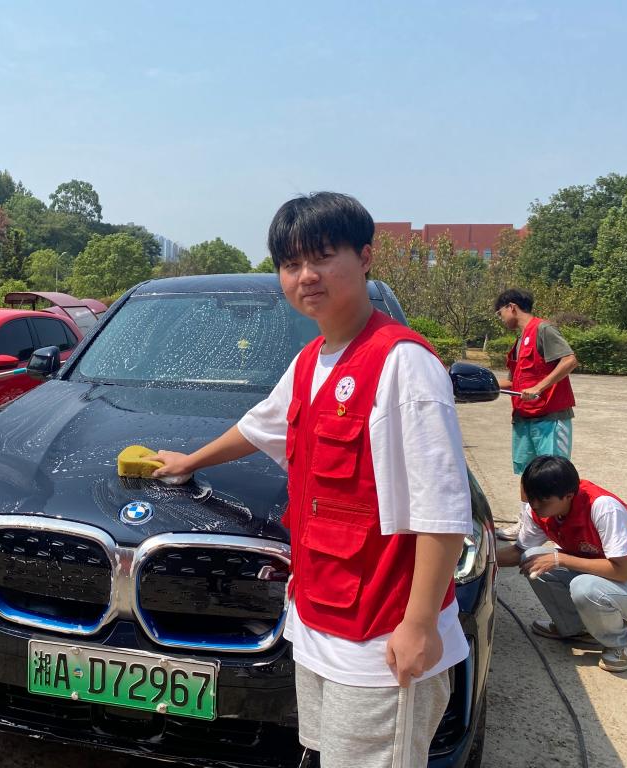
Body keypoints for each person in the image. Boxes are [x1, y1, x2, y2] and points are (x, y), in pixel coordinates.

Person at [152, 192, 472, 767]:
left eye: (322, 257)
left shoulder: (403, 363)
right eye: (291, 263)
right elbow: (260, 426)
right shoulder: (311, 362)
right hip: (319, 622)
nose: (306, 276)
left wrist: (420, 624)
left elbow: (443, 510)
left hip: (383, 637)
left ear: (365, 257)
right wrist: (190, 461)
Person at [497, 456, 627, 673]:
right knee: (532, 558)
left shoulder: (603, 508)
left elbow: (623, 571)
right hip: (608, 577)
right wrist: (475, 561)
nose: (535, 506)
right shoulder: (539, 509)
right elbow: (518, 552)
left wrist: (560, 559)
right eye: (531, 498)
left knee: (584, 587)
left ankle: (619, 643)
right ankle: (577, 630)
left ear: (569, 496)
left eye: (543, 501)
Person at [493, 288, 578, 541]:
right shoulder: (519, 342)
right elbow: (514, 382)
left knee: (553, 474)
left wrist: (540, 387)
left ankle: (561, 529)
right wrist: (482, 383)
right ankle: (526, 524)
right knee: (527, 473)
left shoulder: (543, 330)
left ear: (511, 307)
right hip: (524, 417)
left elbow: (569, 360)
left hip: (549, 417)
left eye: (500, 313)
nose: (501, 319)